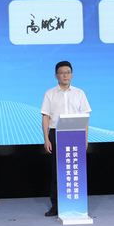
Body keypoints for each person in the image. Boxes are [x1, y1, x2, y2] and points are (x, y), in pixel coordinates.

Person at [40, 61, 91, 217]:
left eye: (68, 72)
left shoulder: (79, 93)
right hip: (56, 134)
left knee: (76, 171)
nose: (65, 75)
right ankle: (56, 206)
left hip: (76, 134)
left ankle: (76, 204)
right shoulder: (49, 93)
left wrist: (85, 139)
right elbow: (45, 117)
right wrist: (46, 139)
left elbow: (85, 118)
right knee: (57, 171)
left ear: (72, 75)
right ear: (56, 75)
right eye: (62, 72)